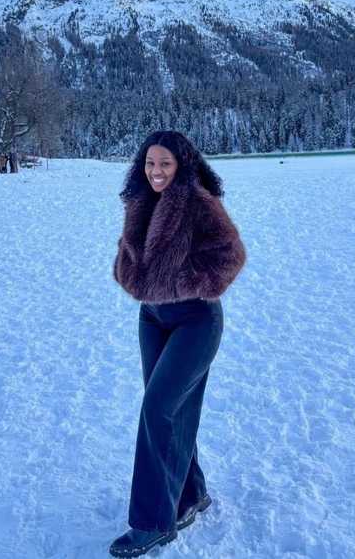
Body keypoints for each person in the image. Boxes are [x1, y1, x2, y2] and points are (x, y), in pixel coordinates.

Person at [108, 130, 247, 557]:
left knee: (158, 408)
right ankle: (194, 493)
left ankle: (152, 523)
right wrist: (129, 273)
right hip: (152, 316)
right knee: (171, 409)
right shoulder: (139, 200)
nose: (156, 171)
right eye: (150, 163)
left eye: (165, 163)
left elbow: (231, 254)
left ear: (182, 164)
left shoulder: (199, 202)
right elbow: (132, 250)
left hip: (195, 319)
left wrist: (185, 283)